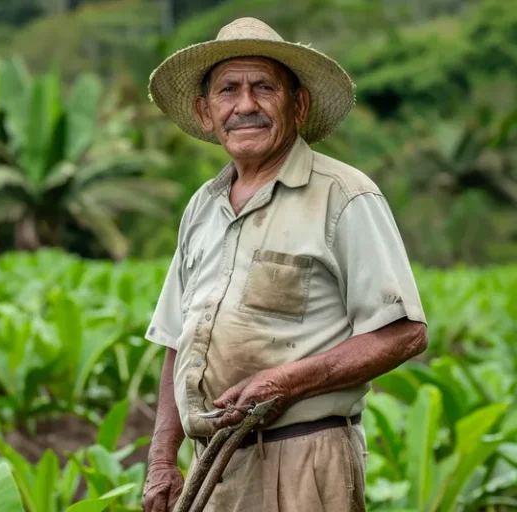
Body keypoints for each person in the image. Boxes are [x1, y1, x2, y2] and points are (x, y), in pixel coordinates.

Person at [141, 17, 428, 512]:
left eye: (263, 88)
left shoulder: (343, 195)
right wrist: (162, 461)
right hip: (213, 467)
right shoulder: (202, 207)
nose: (245, 105)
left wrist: (285, 382)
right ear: (205, 113)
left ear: (298, 105)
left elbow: (404, 333)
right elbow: (175, 341)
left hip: (306, 460)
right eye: (228, 90)